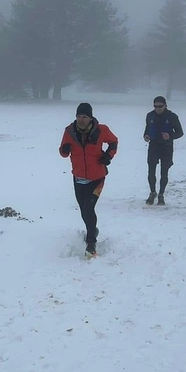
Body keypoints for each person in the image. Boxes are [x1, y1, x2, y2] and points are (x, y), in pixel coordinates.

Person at [59, 102, 118, 257]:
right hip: (78, 178)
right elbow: (63, 152)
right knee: (84, 211)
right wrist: (64, 150)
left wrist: (108, 155)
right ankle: (93, 230)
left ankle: (91, 243)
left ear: (90, 118)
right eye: (78, 116)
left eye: (84, 117)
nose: (81, 120)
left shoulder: (101, 130)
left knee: (88, 208)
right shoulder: (70, 131)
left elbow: (114, 142)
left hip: (97, 178)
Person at [143, 95, 183, 205]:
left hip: (166, 147)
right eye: (155, 106)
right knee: (151, 171)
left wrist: (170, 136)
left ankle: (161, 194)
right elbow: (147, 129)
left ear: (165, 105)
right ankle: (152, 192)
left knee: (164, 172)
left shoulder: (172, 117)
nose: (157, 108)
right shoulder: (150, 116)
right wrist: (146, 136)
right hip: (154, 146)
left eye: (160, 106)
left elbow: (180, 132)